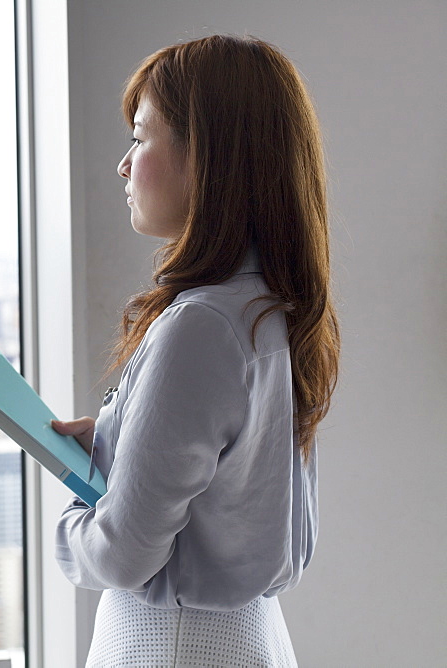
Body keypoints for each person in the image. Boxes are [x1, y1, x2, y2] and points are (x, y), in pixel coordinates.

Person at [51, 35, 340, 666]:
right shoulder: (268, 305)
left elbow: (123, 554)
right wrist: (114, 441)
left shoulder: (200, 324)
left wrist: (75, 515)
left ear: (206, 158)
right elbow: (234, 485)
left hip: (174, 646)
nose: (123, 166)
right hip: (244, 638)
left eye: (140, 136)